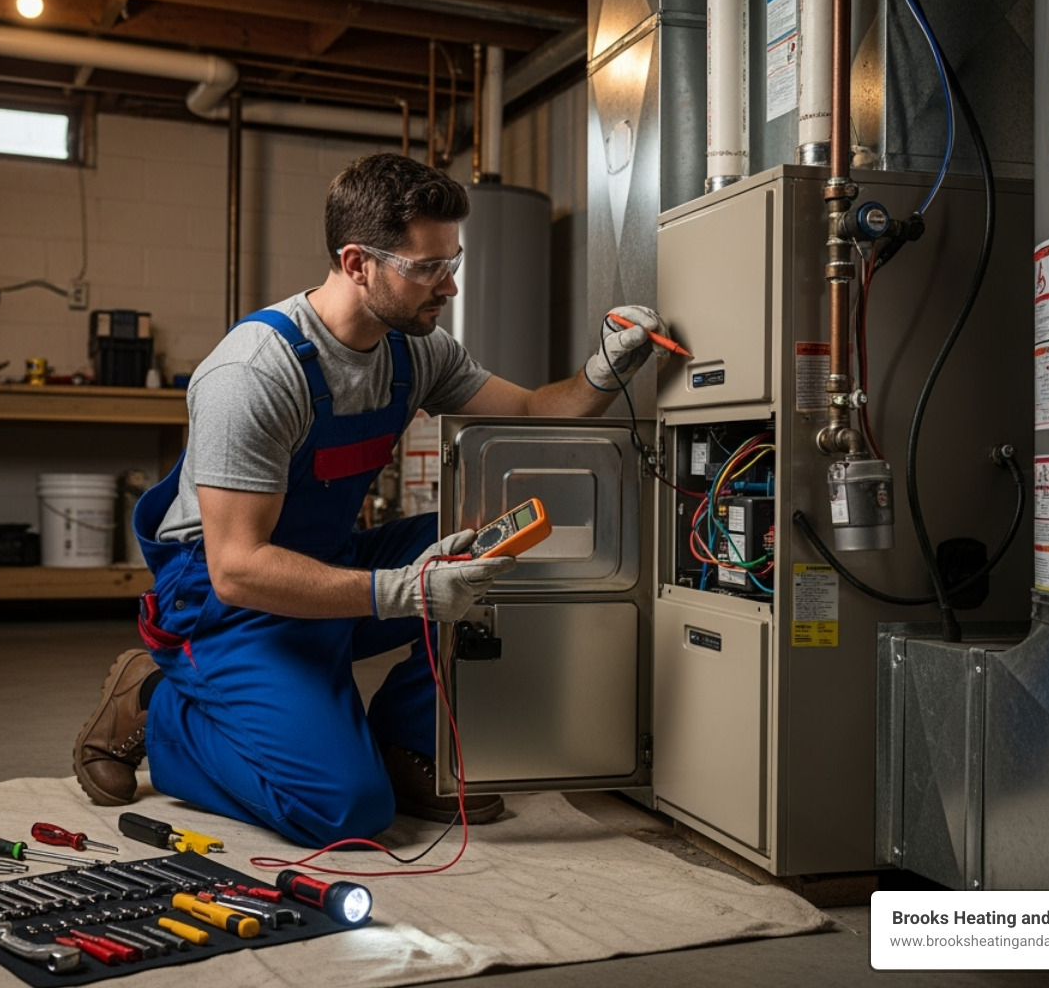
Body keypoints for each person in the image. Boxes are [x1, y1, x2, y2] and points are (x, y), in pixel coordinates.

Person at [73, 152, 671, 848]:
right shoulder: (253, 374)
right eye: (426, 268)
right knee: (344, 811)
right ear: (357, 262)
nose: (447, 284)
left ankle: (403, 740)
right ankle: (159, 703)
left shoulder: (416, 351)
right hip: (221, 601)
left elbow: (535, 412)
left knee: (504, 549)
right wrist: (403, 592)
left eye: (454, 261)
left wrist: (603, 368)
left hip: (328, 559)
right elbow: (236, 567)